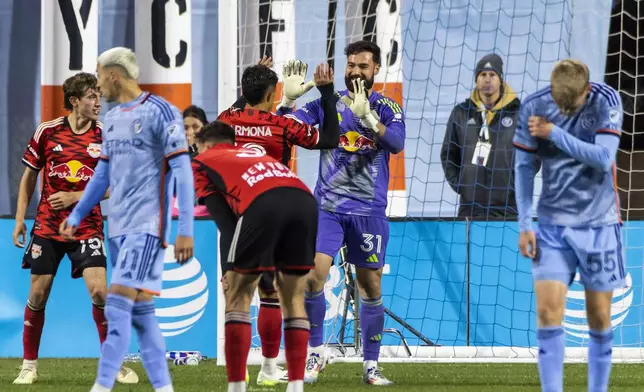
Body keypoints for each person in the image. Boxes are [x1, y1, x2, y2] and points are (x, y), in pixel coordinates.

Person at [60, 47, 195, 392]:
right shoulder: (115, 119)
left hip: (147, 227)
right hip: (117, 229)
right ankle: (164, 388)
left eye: (99, 74)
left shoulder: (162, 111)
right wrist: (77, 213)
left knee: (116, 304)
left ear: (113, 75)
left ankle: (101, 386)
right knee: (141, 313)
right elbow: (102, 174)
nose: (97, 83)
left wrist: (185, 230)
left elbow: (182, 169)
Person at [278, 40, 406, 385]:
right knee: (313, 276)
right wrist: (287, 100)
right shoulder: (327, 103)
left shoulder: (387, 106)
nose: (355, 72)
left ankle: (371, 365)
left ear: (376, 69)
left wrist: (368, 118)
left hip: (369, 211)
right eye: (351, 65)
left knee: (371, 285)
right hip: (327, 208)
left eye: (363, 66)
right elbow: (283, 127)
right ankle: (316, 352)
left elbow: (396, 143)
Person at [217, 59, 339, 386]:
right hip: (277, 209)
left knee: (237, 297)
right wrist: (327, 94)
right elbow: (328, 139)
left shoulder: (226, 120)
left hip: (235, 215)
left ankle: (237, 375)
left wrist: (256, 87)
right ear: (272, 93)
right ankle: (270, 369)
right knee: (277, 295)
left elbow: (229, 119)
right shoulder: (281, 125)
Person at [12, 72, 137, 385]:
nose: (98, 102)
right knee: (38, 295)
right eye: (91, 96)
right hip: (48, 226)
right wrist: (18, 219)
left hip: (87, 226)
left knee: (100, 292)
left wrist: (76, 196)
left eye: (98, 96)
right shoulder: (48, 132)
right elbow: (28, 177)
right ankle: (29, 365)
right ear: (74, 101)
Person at [514, 59, 625, 392]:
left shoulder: (606, 100)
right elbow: (523, 167)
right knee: (547, 315)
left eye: (570, 105)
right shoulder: (534, 104)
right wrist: (524, 222)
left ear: (586, 90)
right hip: (551, 227)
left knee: (600, 317)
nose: (562, 109)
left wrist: (554, 133)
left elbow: (604, 159)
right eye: (558, 104)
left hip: (599, 226)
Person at [192, 121, 317, 392]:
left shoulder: (202, 161)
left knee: (238, 295)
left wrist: (230, 267)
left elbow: (225, 220)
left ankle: (236, 388)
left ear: (205, 144)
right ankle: (296, 386)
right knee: (294, 298)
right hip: (305, 200)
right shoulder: (254, 155)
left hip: (264, 204)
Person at [441, 53, 521, 218]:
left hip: (508, 208)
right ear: (476, 80)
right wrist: (462, 185)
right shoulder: (461, 113)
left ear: (501, 79)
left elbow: (533, 155)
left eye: (492, 75)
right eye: (482, 75)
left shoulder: (518, 113)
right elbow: (449, 154)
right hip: (470, 209)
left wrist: (515, 182)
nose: (487, 79)